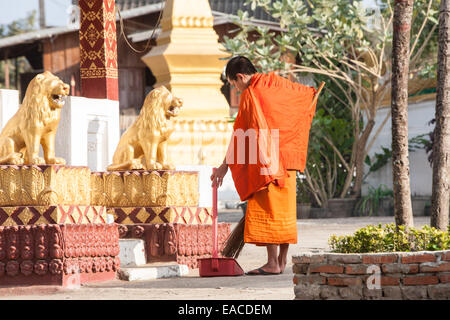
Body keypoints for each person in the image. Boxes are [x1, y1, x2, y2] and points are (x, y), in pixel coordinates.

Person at [211, 56, 319, 275]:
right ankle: (281, 261)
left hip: (267, 163)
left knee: (269, 210)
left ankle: (271, 263)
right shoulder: (278, 83)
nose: (237, 89)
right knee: (285, 212)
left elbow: (241, 135)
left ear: (240, 77)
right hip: (287, 160)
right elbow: (306, 95)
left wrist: (225, 166)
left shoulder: (251, 94)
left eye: (234, 84)